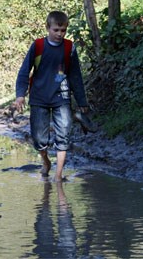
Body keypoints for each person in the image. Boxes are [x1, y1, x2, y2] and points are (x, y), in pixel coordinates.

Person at [14, 11, 89, 182]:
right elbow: (25, 71)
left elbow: (75, 76)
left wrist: (82, 100)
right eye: (56, 30)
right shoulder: (38, 46)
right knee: (39, 138)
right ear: (48, 27)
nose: (59, 34)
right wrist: (20, 95)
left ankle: (58, 175)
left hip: (61, 97)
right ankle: (46, 161)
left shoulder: (70, 48)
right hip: (39, 96)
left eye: (63, 30)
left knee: (64, 135)